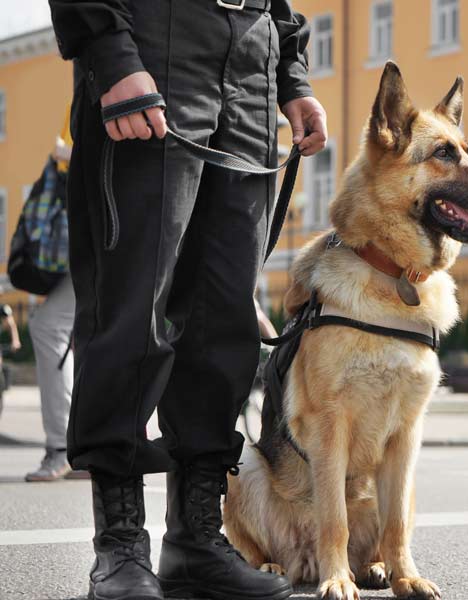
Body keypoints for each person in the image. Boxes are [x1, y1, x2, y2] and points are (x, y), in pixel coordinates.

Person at [48, 1, 327, 599]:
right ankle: (121, 544)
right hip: (155, 40)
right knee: (132, 309)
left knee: (223, 318)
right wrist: (111, 53)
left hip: (253, 61)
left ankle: (195, 539)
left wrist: (291, 76)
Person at [25, 123, 84, 483]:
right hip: (97, 230)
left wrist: (67, 155)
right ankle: (86, 450)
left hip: (105, 230)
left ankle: (65, 447)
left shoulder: (100, 90)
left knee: (48, 326)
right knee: (94, 335)